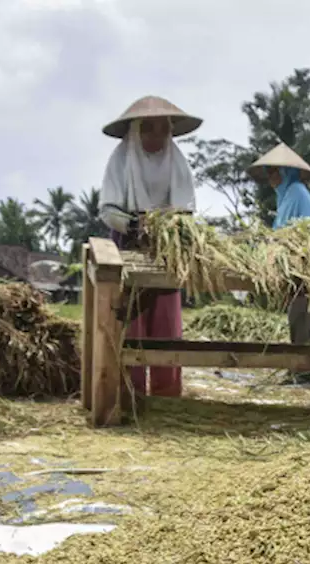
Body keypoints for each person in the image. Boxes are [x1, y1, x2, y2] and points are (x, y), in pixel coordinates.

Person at [99, 95, 201, 399]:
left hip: (166, 250)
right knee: (130, 321)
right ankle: (130, 393)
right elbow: (107, 210)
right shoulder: (120, 160)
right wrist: (135, 224)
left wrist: (172, 223)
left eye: (162, 129)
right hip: (128, 246)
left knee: (165, 324)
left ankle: (166, 394)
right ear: (136, 130)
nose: (156, 136)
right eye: (149, 128)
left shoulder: (176, 161)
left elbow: (186, 208)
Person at [248, 143, 310, 385]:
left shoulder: (296, 191)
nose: (271, 178)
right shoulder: (286, 196)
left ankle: (302, 371)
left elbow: (288, 231)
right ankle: (297, 368)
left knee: (304, 315)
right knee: (296, 315)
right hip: (295, 267)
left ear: (285, 173)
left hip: (307, 265)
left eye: (274, 172)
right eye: (269, 173)